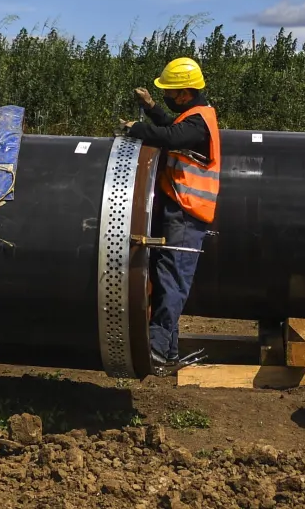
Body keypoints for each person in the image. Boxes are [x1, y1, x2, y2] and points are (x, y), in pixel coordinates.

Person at [121, 56, 220, 376]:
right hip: (182, 209)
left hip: (189, 213)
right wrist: (151, 108)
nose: (166, 96)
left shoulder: (199, 121)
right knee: (167, 276)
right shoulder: (194, 116)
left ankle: (158, 349)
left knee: (172, 280)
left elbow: (172, 138)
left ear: (184, 93)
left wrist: (138, 129)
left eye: (168, 92)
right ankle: (170, 352)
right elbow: (171, 128)